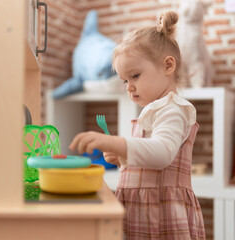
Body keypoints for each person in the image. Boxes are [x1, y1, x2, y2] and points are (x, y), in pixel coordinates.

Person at [69, 11, 206, 240]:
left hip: (160, 214)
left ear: (168, 66)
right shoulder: (155, 110)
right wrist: (123, 157)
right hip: (143, 210)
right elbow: (149, 162)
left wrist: (117, 143)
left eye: (135, 76)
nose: (129, 87)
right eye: (125, 80)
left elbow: (162, 153)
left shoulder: (173, 109)